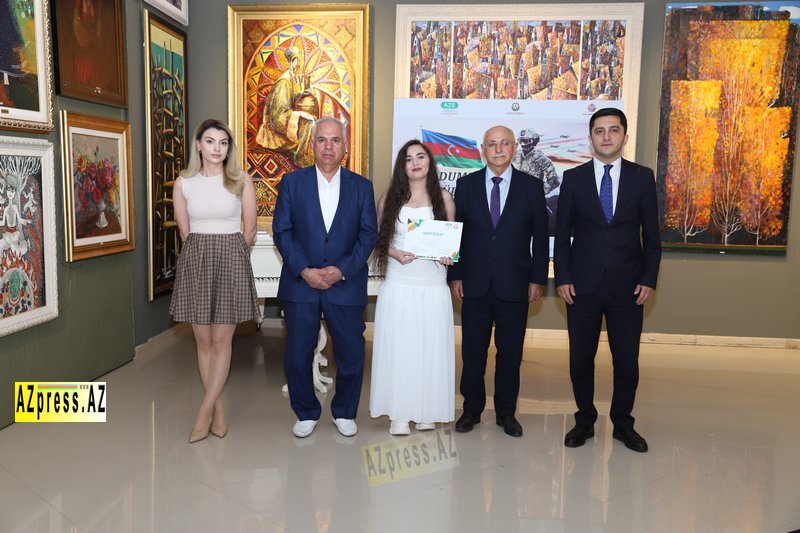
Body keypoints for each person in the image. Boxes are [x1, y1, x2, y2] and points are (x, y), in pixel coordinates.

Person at [554, 108, 661, 453]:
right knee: (580, 359)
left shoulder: (642, 178)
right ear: (591, 138)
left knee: (626, 361)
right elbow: (561, 234)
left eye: (613, 130)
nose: (606, 136)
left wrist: (648, 278)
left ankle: (623, 424)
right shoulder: (573, 179)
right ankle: (584, 420)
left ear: (625, 137)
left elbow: (652, 237)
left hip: (628, 288)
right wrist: (562, 276)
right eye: (599, 131)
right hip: (581, 287)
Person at [273, 117, 378, 438]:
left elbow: (368, 234)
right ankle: (305, 412)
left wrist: (342, 270)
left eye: (335, 140)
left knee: (351, 354)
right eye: (322, 140)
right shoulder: (292, 183)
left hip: (345, 284)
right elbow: (282, 231)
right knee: (297, 354)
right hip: (301, 284)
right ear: (312, 144)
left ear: (345, 146)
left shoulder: (362, 187)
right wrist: (305, 270)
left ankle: (344, 411)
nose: (328, 147)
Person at [448, 125, 549, 437]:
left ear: (514, 147)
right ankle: (471, 410)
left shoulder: (532, 186)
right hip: (474, 283)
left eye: (505, 143)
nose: (498, 149)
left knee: (510, 353)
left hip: (515, 284)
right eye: (492, 144)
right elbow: (457, 234)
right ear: (483, 150)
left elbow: (541, 237)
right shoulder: (465, 186)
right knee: (473, 352)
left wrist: (538, 279)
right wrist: (455, 274)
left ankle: (507, 413)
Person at [170, 118, 260, 444]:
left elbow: (250, 229)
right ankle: (218, 410)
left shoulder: (241, 180)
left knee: (222, 341)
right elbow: (185, 232)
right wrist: (203, 255)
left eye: (223, 143)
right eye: (210, 141)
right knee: (204, 341)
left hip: (231, 258)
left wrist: (232, 254)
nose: (217, 149)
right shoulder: (184, 183)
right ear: (198, 144)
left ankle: (203, 411)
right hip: (197, 260)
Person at [369, 140, 456, 436]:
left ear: (429, 162)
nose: (415, 163)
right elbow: (377, 240)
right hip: (399, 283)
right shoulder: (389, 198)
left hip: (432, 285)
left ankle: (426, 411)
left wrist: (448, 256)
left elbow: (450, 245)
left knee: (429, 348)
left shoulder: (444, 198)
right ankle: (399, 414)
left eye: (420, 156)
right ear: (402, 166)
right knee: (400, 349)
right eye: (408, 159)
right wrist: (393, 253)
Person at [256, 46, 317, 168]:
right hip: (275, 132)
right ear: (292, 61)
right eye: (296, 61)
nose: (298, 65)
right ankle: (303, 161)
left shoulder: (289, 80)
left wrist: (302, 93)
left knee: (312, 119)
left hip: (284, 122)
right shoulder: (283, 83)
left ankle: (310, 159)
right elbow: (278, 117)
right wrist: (299, 114)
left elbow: (288, 99)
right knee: (308, 124)